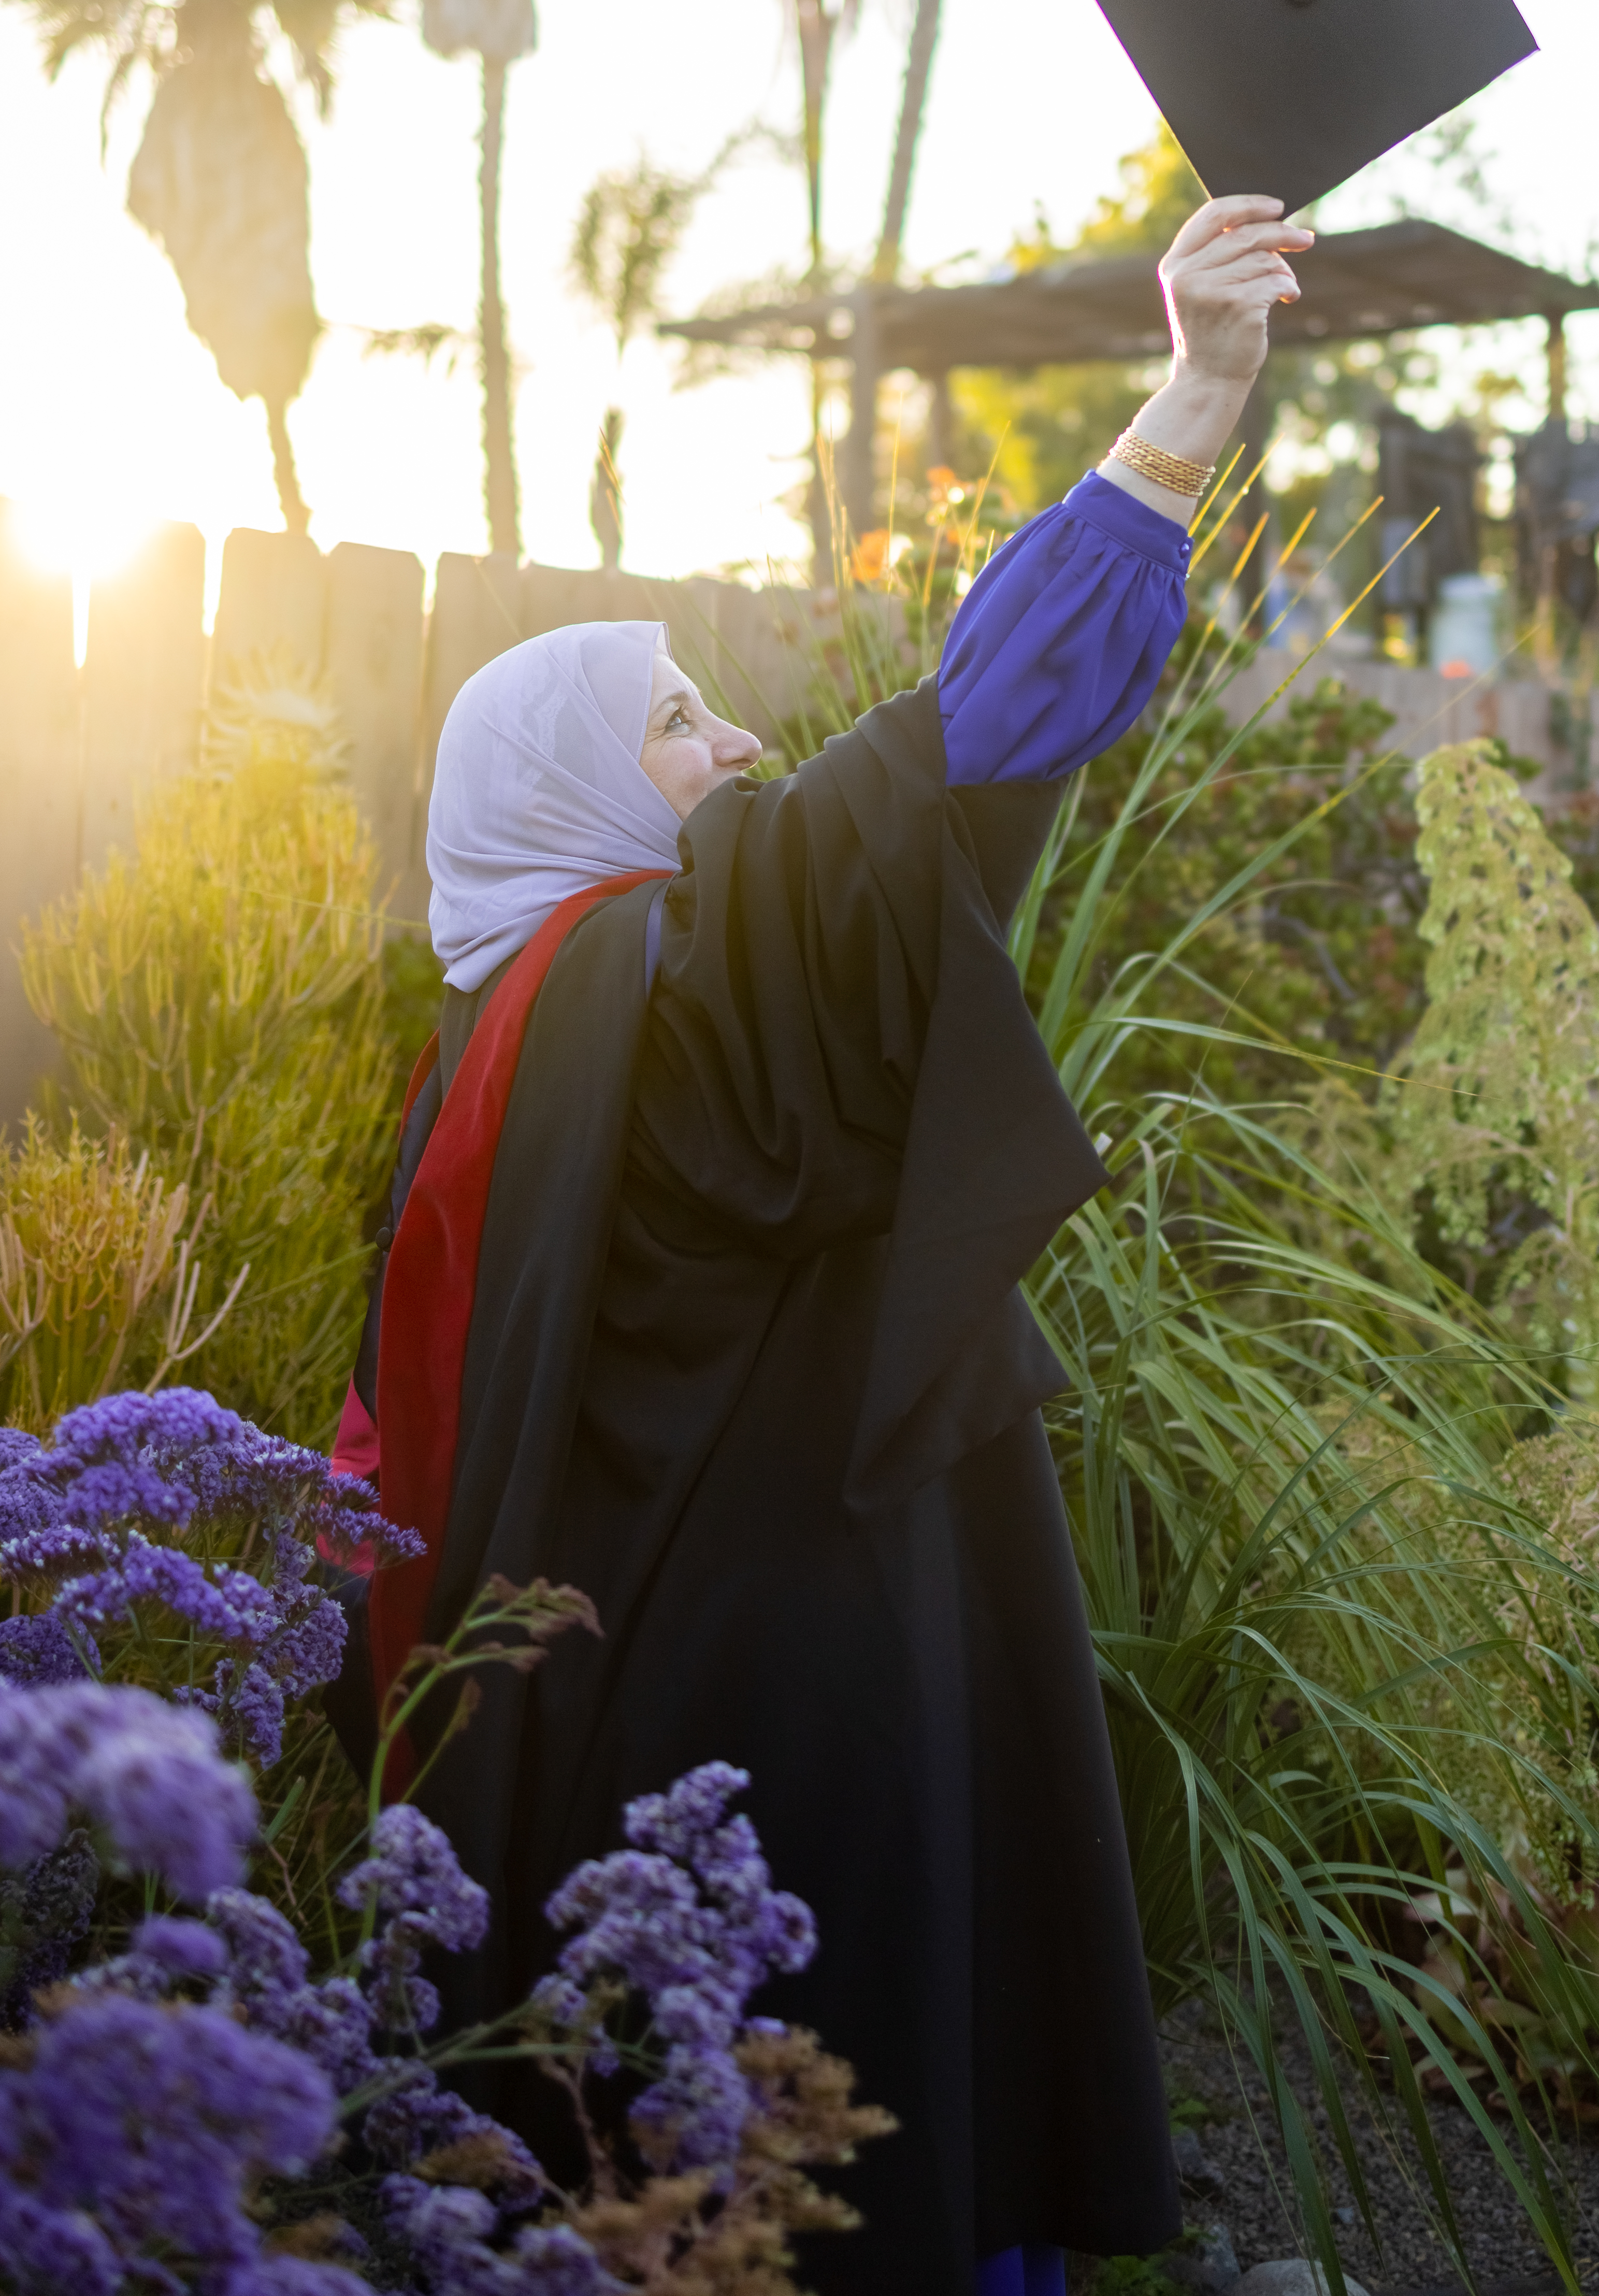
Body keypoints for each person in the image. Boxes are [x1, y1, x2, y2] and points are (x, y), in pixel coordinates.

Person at [332, 194, 1314, 2296]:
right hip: (788, 1697)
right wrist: (1190, 407)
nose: (742, 745)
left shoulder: (495, 1040)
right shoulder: (651, 981)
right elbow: (966, 743)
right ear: (574, 787)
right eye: (678, 721)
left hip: (620, 1709)